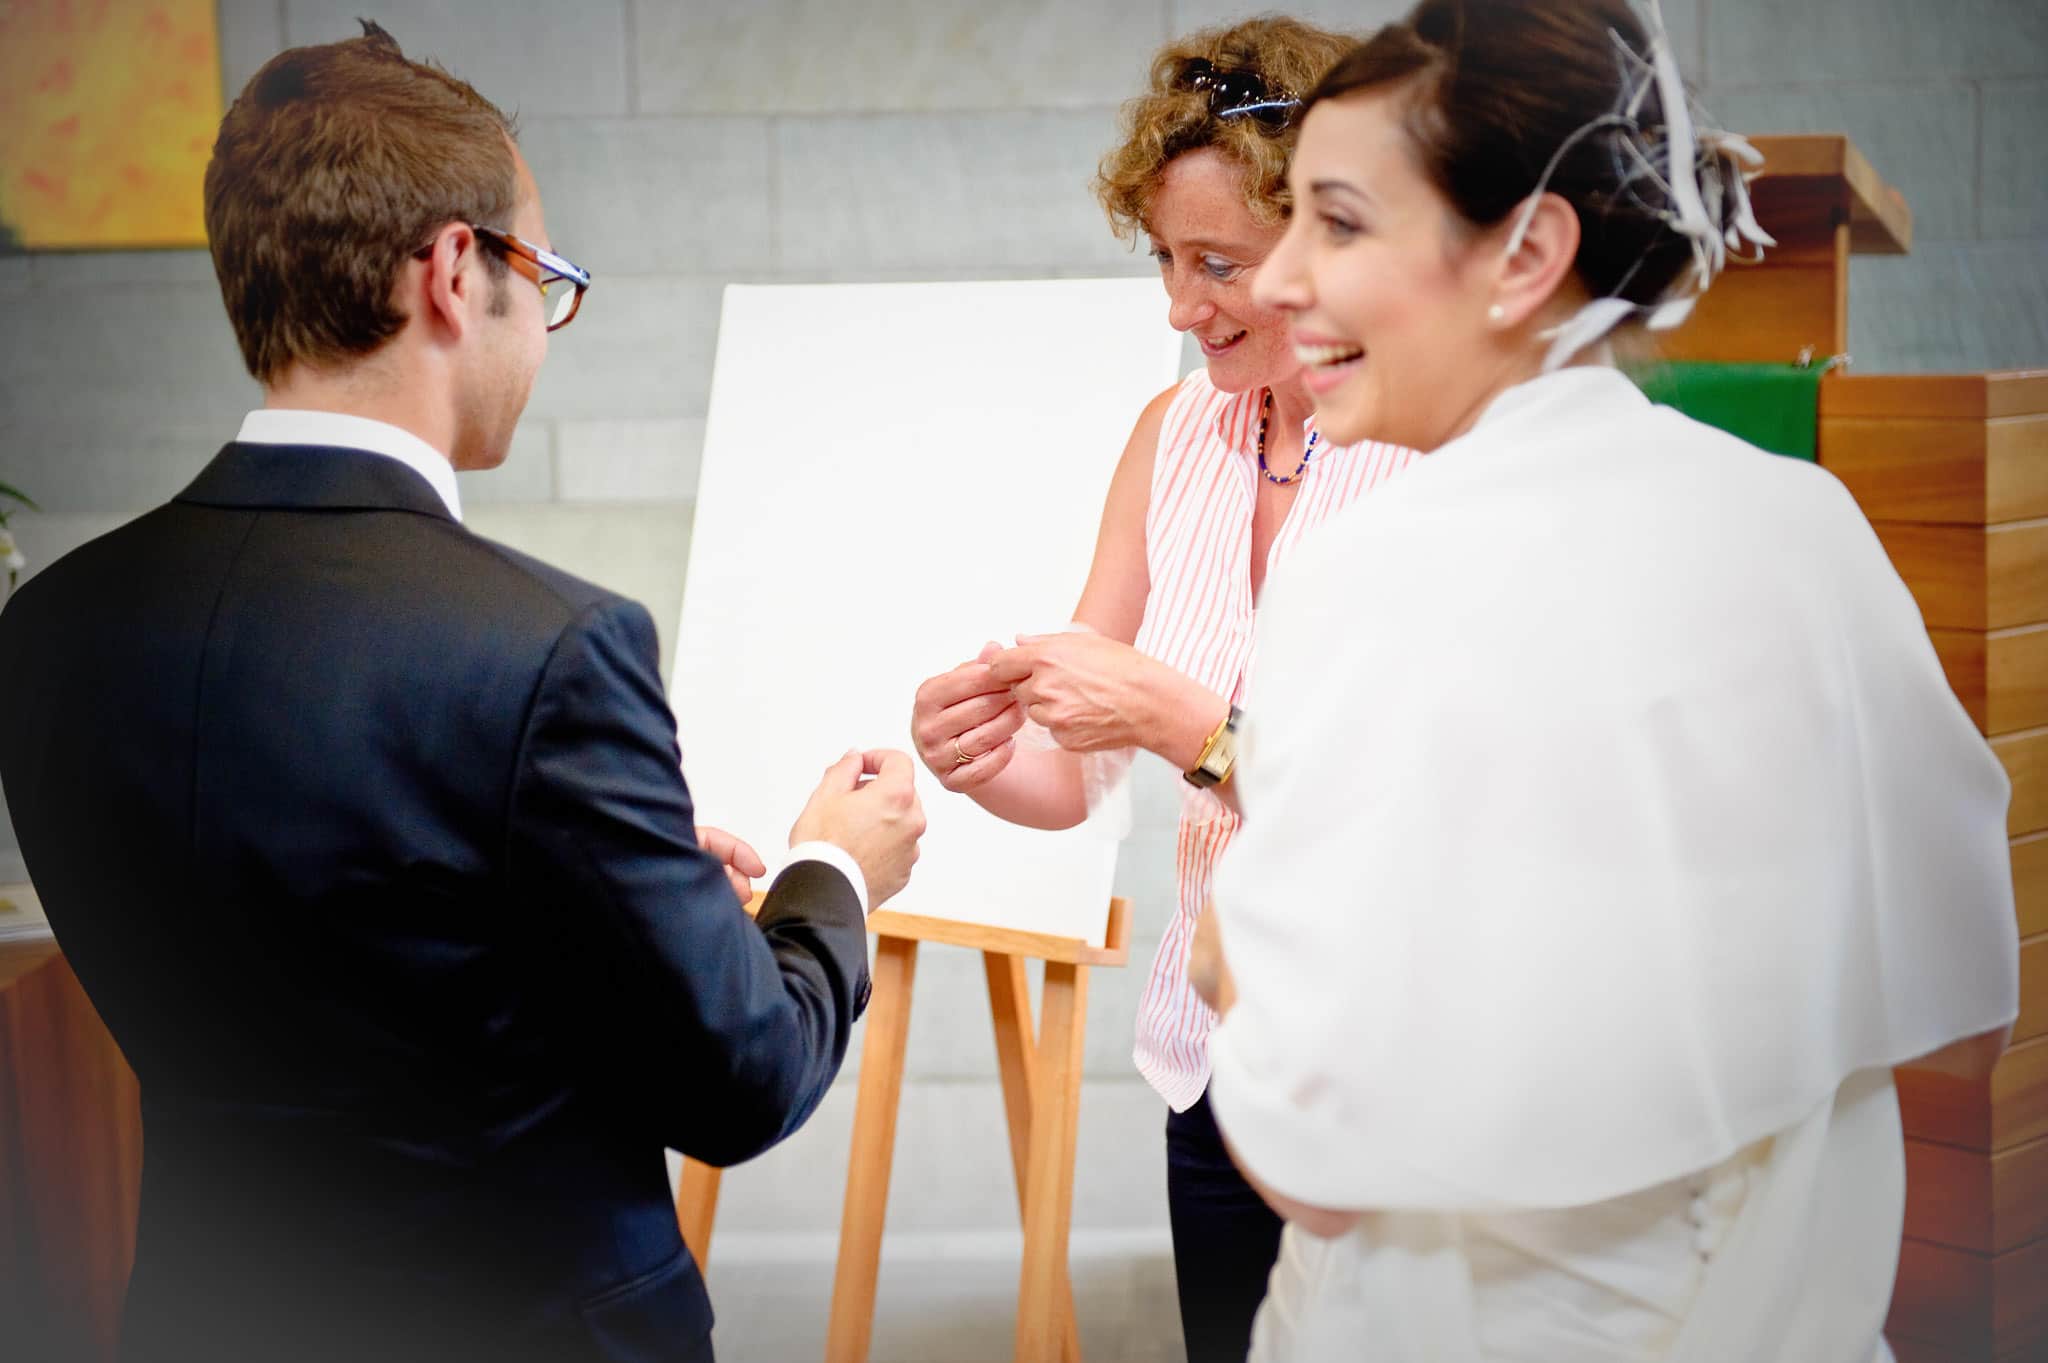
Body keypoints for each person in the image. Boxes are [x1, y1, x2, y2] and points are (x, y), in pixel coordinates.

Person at [0, 25, 923, 1363]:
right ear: (451, 272)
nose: (545, 325)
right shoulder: (551, 647)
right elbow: (739, 1079)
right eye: (544, 278)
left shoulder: (53, 627)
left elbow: (342, 949)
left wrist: (627, 895)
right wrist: (834, 870)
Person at [1194, 2, 2022, 1358]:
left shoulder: (1368, 572)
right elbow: (1962, 1018)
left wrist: (1232, 964)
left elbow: (1312, 1164)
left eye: (1338, 224)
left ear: (1526, 252)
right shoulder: (1809, 526)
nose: (1279, 281)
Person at [907, 17, 1412, 1360]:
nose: (1182, 311)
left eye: (1218, 267)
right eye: (1167, 264)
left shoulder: (1435, 443)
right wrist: (979, 748)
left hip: (1390, 1060)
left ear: (1328, 236)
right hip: (1209, 1054)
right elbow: (1074, 781)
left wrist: (1170, 719)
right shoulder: (1173, 434)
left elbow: (1414, 803)